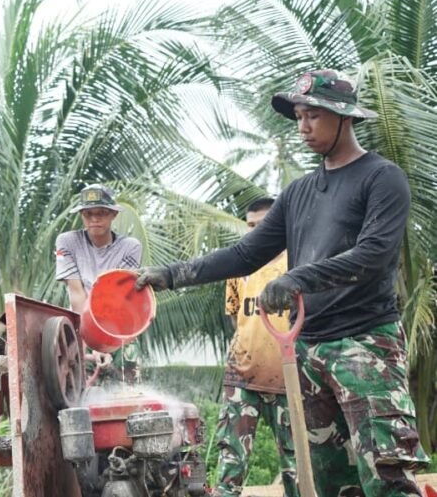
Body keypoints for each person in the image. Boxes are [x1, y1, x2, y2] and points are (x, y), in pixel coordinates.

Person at [135, 70, 429, 496]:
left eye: (313, 116)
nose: (303, 127)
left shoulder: (381, 178)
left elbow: (374, 255)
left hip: (365, 347)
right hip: (308, 350)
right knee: (329, 482)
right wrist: (171, 275)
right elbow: (245, 255)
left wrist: (297, 278)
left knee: (386, 477)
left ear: (344, 117)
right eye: (298, 116)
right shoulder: (298, 193)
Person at [213, 197, 297, 497]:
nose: (256, 232)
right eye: (250, 227)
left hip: (289, 379)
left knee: (297, 465)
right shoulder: (240, 268)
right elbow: (236, 318)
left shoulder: (296, 263)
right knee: (231, 461)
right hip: (242, 377)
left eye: (263, 226)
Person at [55, 184, 143, 383]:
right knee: (77, 389)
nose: (94, 219)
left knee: (129, 385)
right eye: (88, 214)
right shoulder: (67, 242)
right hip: (81, 326)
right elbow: (76, 293)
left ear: (113, 215)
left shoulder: (130, 247)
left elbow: (117, 296)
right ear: (82, 216)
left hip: (118, 326)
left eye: (102, 213)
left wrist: (105, 343)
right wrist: (92, 343)